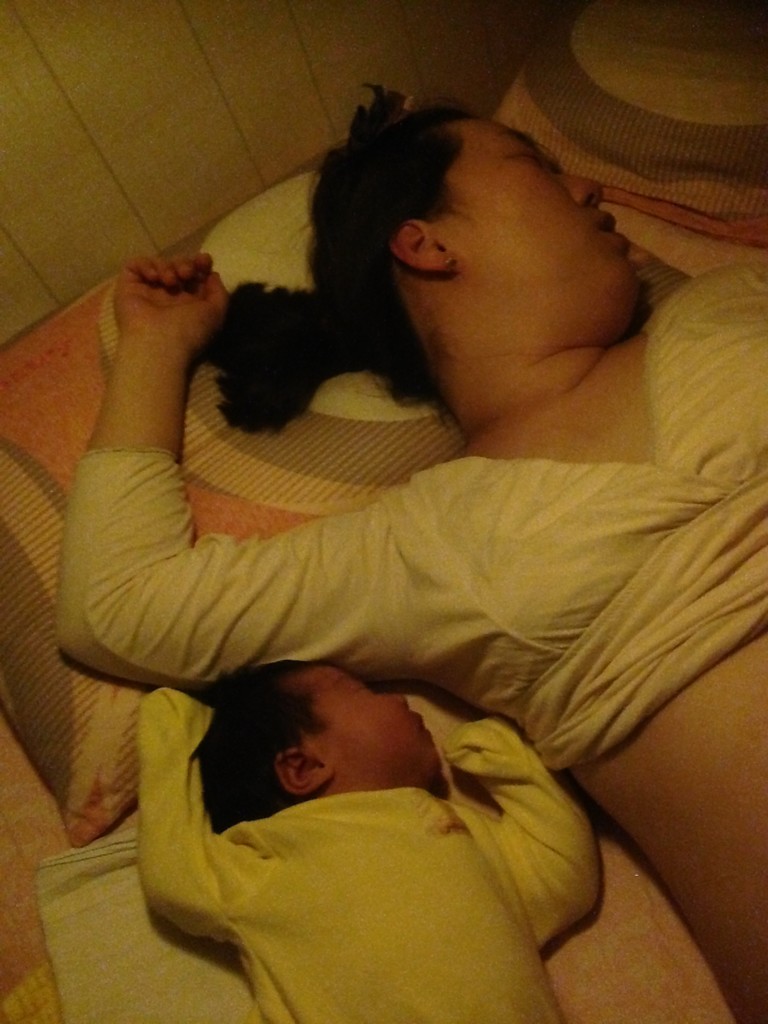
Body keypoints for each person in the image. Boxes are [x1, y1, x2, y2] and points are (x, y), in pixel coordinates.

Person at [56, 87, 768, 1022]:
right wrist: (155, 348)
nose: (590, 192)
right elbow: (117, 604)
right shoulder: (421, 547)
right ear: (425, 242)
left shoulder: (732, 306)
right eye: (538, 168)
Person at [139, 659, 598, 1023]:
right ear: (303, 768)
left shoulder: (459, 827)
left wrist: (514, 768)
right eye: (365, 692)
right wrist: (173, 731)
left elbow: (559, 878)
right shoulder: (268, 855)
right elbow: (173, 873)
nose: (399, 697)